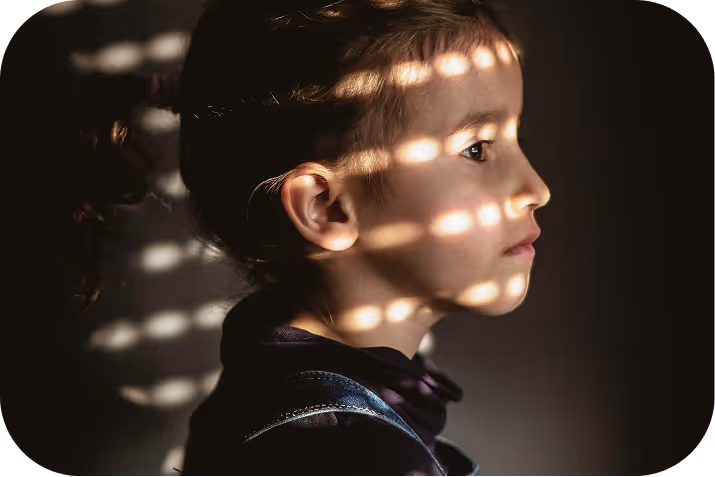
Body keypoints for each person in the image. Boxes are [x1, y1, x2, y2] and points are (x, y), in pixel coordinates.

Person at [143, 0, 551, 474]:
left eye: (515, 136)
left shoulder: (281, 396)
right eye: (477, 149)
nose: (537, 189)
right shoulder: (347, 451)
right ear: (327, 207)